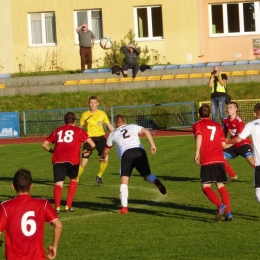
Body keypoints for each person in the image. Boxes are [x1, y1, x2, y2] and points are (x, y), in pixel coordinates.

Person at [100, 114, 166, 214]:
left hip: (127, 154)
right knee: (146, 175)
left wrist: (103, 157)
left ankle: (124, 208)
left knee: (124, 181)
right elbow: (147, 131)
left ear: (115, 123)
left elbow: (106, 150)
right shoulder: (132, 126)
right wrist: (152, 145)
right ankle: (155, 180)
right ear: (125, 121)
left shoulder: (113, 133)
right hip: (140, 151)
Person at [0, 168, 62, 260]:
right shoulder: (42, 204)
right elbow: (58, 225)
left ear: (13, 186)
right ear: (31, 186)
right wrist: (54, 246)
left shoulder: (5, 207)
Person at [42, 112, 95, 213]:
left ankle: (57, 207)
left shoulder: (57, 131)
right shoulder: (79, 131)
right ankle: (68, 205)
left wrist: (52, 151)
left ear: (64, 121)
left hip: (58, 160)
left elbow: (44, 144)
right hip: (73, 161)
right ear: (75, 121)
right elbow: (92, 144)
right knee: (73, 180)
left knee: (58, 183)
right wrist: (88, 149)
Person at [193, 104, 232, 221]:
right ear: (210, 114)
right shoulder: (217, 125)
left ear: (198, 114)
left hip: (207, 159)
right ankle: (229, 213)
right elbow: (223, 145)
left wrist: (197, 153)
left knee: (206, 187)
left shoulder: (197, 125)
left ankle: (221, 206)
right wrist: (237, 142)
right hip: (220, 159)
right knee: (221, 186)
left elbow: (199, 136)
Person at [227, 103, 260, 204]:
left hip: (259, 165)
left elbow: (238, 139)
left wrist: (227, 142)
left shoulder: (251, 125)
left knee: (258, 190)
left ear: (254, 113)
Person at [77, 96, 114, 185]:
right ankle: (76, 179)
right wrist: (78, 138)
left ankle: (99, 176)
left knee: (106, 158)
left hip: (101, 139)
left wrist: (117, 133)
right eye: (91, 103)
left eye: (94, 103)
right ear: (88, 103)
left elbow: (109, 125)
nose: (92, 105)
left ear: (98, 103)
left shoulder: (102, 114)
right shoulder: (85, 114)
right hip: (89, 139)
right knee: (84, 162)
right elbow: (80, 129)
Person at [223, 102, 255, 181]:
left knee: (251, 160)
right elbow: (223, 135)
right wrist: (222, 143)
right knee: (219, 158)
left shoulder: (239, 121)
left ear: (236, 109)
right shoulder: (225, 120)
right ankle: (233, 176)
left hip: (243, 143)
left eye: (230, 108)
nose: (228, 109)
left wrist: (228, 143)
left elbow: (239, 138)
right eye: (228, 108)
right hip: (233, 145)